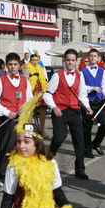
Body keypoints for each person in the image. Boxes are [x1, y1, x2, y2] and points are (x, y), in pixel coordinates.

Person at [43, 49, 92, 180]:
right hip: (60, 110)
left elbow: (82, 94)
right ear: (64, 60)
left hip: (75, 110)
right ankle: (47, 159)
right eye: (68, 60)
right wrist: (54, 107)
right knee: (59, 137)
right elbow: (47, 94)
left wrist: (87, 107)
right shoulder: (57, 75)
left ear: (76, 61)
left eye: (73, 60)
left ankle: (80, 169)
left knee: (79, 140)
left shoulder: (79, 75)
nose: (70, 62)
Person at [0, 53, 33, 192]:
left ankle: (22, 177)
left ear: (19, 65)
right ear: (5, 66)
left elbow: (30, 98)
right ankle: (0, 178)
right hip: (7, 119)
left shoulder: (25, 80)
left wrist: (25, 107)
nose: (13, 67)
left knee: (25, 148)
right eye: (10, 64)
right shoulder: (0, 81)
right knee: (6, 150)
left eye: (15, 64)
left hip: (23, 119)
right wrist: (7, 112)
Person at [81, 49, 105, 158]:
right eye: (91, 56)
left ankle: (96, 144)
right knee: (87, 127)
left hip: (99, 101)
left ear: (98, 58)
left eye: (95, 56)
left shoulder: (102, 71)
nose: (93, 57)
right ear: (88, 58)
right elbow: (81, 87)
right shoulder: (82, 71)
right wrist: (91, 88)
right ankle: (87, 150)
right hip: (87, 102)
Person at [25, 54, 48, 137]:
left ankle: (42, 130)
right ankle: (30, 131)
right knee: (30, 112)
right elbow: (25, 80)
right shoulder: (26, 67)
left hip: (40, 90)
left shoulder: (40, 68)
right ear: (30, 60)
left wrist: (44, 88)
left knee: (43, 110)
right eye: (33, 60)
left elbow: (44, 79)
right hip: (31, 91)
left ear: (39, 60)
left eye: (36, 60)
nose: (35, 62)